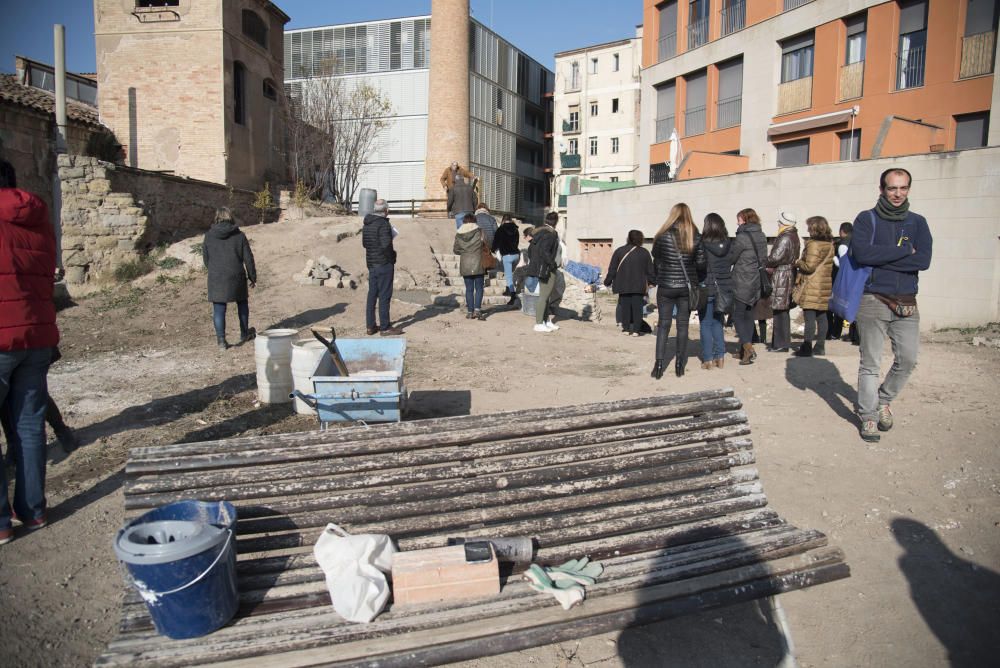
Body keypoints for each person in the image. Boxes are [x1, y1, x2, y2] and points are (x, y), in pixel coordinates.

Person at [0, 159, 59, 544]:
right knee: (28, 426)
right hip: (37, 336)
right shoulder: (38, 220)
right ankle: (33, 511)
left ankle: (1, 522)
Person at [851, 167, 932, 443]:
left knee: (908, 359)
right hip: (873, 299)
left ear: (909, 189)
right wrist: (902, 252)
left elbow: (923, 261)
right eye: (892, 188)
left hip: (907, 301)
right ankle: (869, 416)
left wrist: (881, 257)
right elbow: (862, 254)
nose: (898, 193)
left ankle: (883, 400)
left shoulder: (918, 223)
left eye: (903, 188)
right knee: (870, 363)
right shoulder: (866, 219)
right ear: (882, 189)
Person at [651, 203, 705, 379]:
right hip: (686, 287)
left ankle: (659, 365)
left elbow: (656, 260)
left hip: (666, 285)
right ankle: (680, 364)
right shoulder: (695, 236)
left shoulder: (662, 235)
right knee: (683, 326)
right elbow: (701, 264)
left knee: (663, 325)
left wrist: (662, 275)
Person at [202, 207, 256, 350]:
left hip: (216, 277)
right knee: (242, 303)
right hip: (236, 275)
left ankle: (221, 341)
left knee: (219, 308)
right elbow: (248, 258)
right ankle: (244, 334)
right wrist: (252, 276)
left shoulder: (209, 236)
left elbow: (206, 259)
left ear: (217, 218)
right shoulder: (239, 236)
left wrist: (215, 270)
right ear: (230, 217)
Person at [726, 208, 768, 365]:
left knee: (738, 315)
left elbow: (732, 258)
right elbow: (763, 258)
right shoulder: (762, 236)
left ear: (744, 220)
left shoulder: (742, 237)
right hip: (756, 280)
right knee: (749, 315)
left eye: (739, 219)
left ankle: (748, 348)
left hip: (742, 280)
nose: (737, 222)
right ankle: (744, 350)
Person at [793, 216, 835, 357]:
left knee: (809, 316)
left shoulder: (813, 244)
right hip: (824, 284)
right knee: (822, 317)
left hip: (812, 284)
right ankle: (820, 346)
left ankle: (806, 348)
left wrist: (798, 262)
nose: (807, 229)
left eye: (809, 226)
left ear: (814, 228)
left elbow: (809, 266)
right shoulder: (830, 244)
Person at [362, 199, 403, 336]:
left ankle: (370, 326)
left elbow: (364, 244)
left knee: (372, 294)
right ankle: (385, 327)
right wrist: (392, 257)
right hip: (384, 263)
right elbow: (386, 245)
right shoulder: (384, 224)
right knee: (385, 295)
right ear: (386, 210)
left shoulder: (367, 224)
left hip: (371, 263)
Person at [699, 213, 734, 369]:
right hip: (724, 288)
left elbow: (698, 265)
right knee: (717, 323)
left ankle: (707, 359)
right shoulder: (729, 244)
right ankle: (720, 357)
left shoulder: (702, 244)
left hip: (707, 287)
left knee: (705, 323)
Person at [604, 230, 654, 337]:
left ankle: (626, 329)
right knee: (638, 308)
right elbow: (650, 270)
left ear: (628, 238)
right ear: (640, 239)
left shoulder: (619, 251)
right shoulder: (644, 252)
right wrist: (652, 282)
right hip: (639, 286)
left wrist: (607, 281)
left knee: (625, 307)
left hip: (623, 285)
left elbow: (612, 268)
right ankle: (636, 330)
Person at [765, 211, 801, 352]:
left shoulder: (785, 237)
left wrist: (764, 262)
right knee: (783, 310)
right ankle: (781, 342)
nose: (778, 225)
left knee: (779, 310)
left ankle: (781, 344)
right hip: (788, 273)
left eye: (779, 223)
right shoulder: (794, 236)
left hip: (782, 275)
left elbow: (775, 257)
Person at [524, 212, 561, 333]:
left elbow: (531, 251)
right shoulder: (550, 234)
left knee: (546, 296)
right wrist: (552, 264)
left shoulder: (539, 232)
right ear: (556, 222)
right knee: (544, 296)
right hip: (546, 268)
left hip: (539, 267)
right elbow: (545, 251)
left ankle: (546, 321)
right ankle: (539, 323)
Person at [453, 213, 487, 320]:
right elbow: (485, 245)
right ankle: (477, 310)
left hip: (465, 264)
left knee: (469, 289)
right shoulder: (480, 231)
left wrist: (465, 252)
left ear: (464, 221)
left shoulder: (459, 234)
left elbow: (455, 250)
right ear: (474, 220)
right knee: (479, 288)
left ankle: (469, 312)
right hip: (478, 263)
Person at [827, 222, 852, 340]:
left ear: (842, 231)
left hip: (840, 280)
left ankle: (835, 333)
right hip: (852, 280)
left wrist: (833, 257)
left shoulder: (843, 245)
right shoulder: (856, 241)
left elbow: (842, 264)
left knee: (837, 307)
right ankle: (853, 335)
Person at [492, 215, 520, 304]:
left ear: (503, 220)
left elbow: (496, 242)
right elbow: (517, 242)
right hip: (516, 255)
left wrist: (493, 250)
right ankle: (508, 289)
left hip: (507, 256)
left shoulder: (501, 229)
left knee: (508, 276)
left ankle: (513, 296)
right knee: (510, 274)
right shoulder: (516, 229)